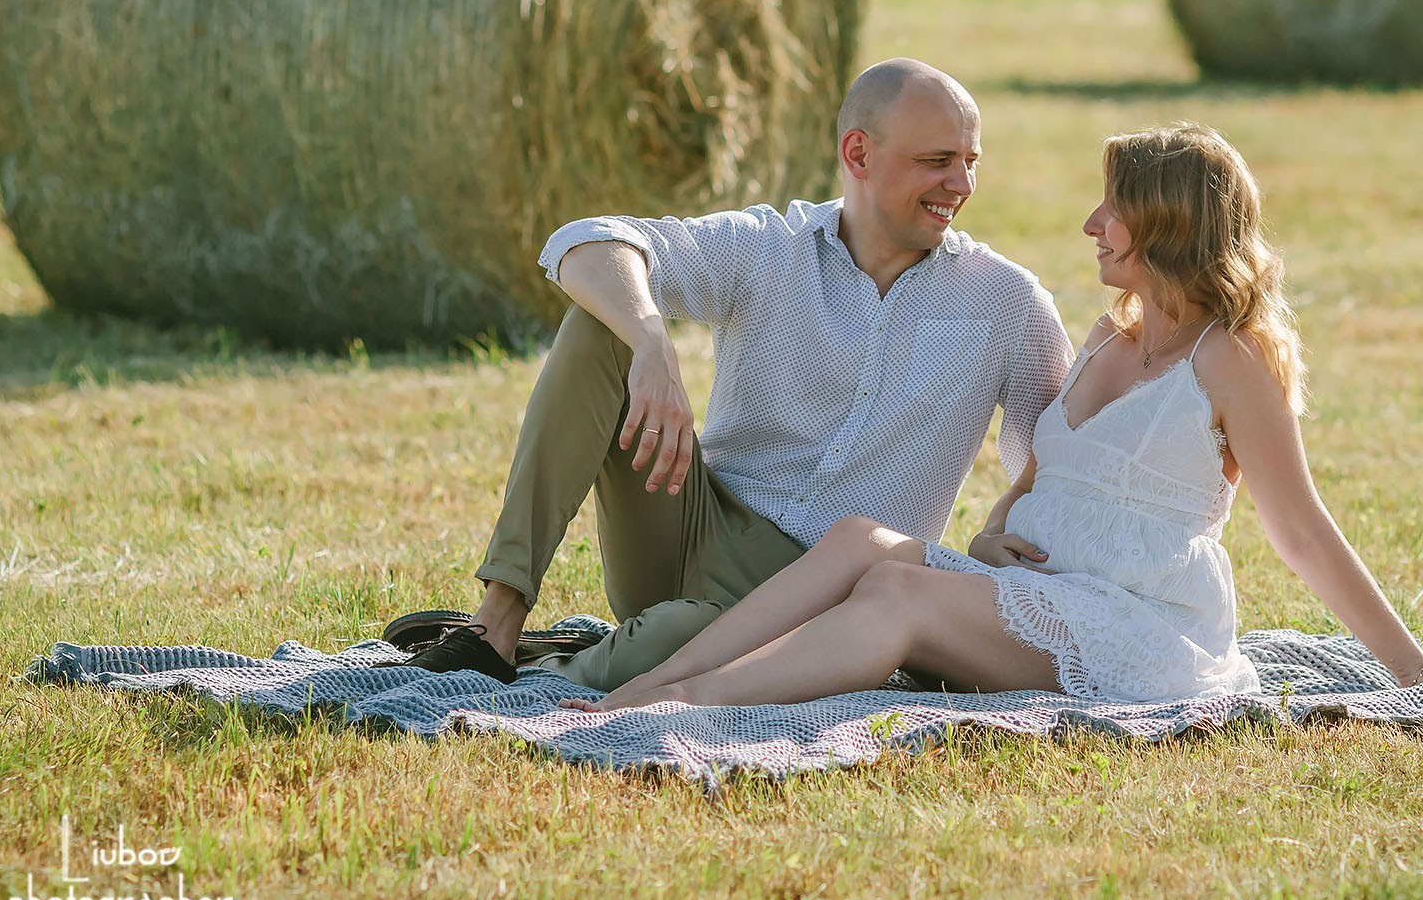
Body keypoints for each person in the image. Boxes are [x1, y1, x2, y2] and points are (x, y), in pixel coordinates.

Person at [562, 122, 1423, 711]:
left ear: (1164, 225)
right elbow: (1037, 477)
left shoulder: (1230, 359)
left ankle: (684, 702)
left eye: (1114, 209)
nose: (1092, 223)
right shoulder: (1106, 337)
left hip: (1136, 624)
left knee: (898, 591)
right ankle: (676, 669)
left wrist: (1413, 675)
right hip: (1038, 591)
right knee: (862, 541)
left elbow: (1303, 533)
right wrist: (990, 531)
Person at [385, 58, 1075, 690]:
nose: (962, 185)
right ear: (857, 153)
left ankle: (555, 659)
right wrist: (651, 338)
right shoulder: (769, 249)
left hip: (827, 597)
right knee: (604, 320)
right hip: (692, 523)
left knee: (670, 652)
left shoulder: (1007, 302)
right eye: (939, 161)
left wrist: (995, 527)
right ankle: (496, 622)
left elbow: (1069, 467)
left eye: (970, 161)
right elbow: (584, 242)